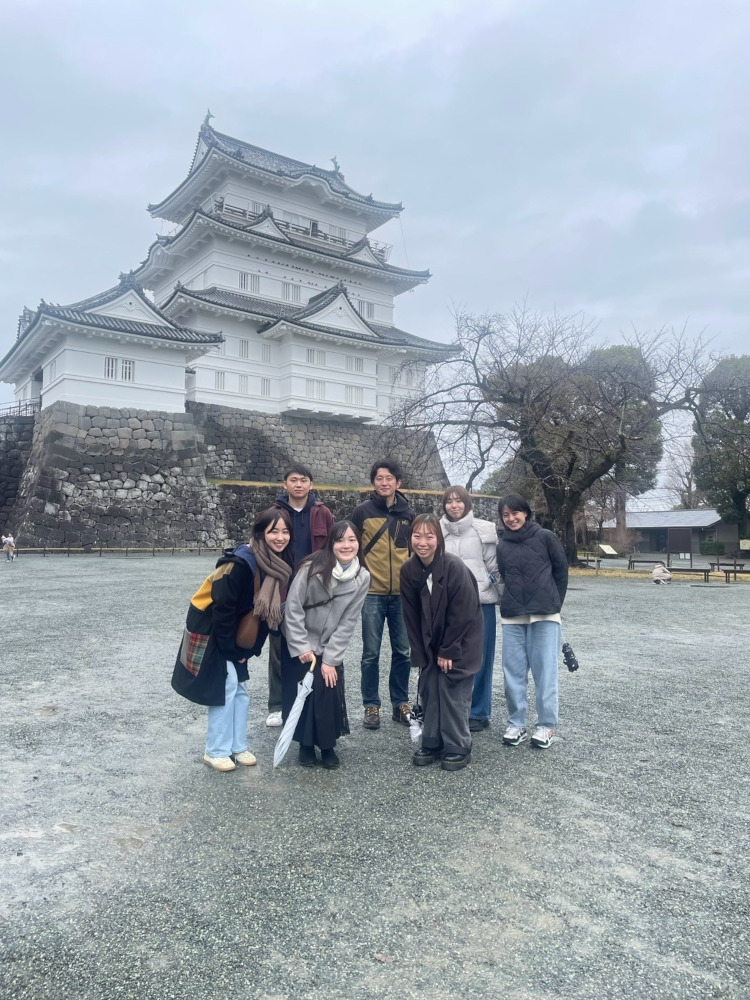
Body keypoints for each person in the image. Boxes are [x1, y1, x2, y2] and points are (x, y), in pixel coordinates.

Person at [171, 508, 293, 772]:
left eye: (285, 532)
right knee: (226, 686)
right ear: (260, 533)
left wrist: (247, 651)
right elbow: (222, 609)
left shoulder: (275, 566)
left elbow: (262, 614)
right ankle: (215, 751)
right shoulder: (239, 564)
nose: (280, 537)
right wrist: (230, 650)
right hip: (212, 627)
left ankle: (238, 746)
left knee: (240, 689)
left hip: (235, 633)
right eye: (273, 531)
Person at [281, 521, 370, 769]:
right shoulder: (311, 568)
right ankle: (305, 744)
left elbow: (348, 621)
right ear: (331, 543)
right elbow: (294, 607)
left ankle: (327, 744)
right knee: (303, 691)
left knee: (327, 687)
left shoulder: (362, 576)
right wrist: (302, 647)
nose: (346, 545)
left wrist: (330, 659)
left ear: (359, 543)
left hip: (329, 643)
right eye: (340, 540)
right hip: (300, 639)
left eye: (352, 540)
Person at [400, 514, 484, 771]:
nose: (422, 542)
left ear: (439, 539)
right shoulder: (409, 570)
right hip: (430, 642)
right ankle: (432, 741)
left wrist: (448, 649)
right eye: (417, 536)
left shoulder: (454, 567)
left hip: (460, 640)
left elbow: (464, 612)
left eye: (429, 536)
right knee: (429, 689)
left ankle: (458, 745)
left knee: (452, 690)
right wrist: (420, 652)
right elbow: (411, 615)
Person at [495, 493, 568, 750]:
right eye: (505, 515)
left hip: (545, 615)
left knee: (545, 672)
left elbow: (561, 572)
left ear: (525, 513)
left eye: (515, 513)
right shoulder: (502, 546)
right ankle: (516, 723)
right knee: (512, 674)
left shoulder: (546, 537)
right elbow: (505, 575)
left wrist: (554, 603)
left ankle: (546, 725)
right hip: (513, 616)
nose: (511, 518)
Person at [265, 465, 334, 728]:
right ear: (285, 484)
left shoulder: (323, 513)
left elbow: (332, 548)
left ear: (311, 484)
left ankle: (307, 701)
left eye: (303, 480)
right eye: (293, 480)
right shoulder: (275, 513)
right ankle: (277, 705)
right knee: (279, 647)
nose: (298, 484)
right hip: (281, 587)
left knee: (314, 645)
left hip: (314, 590)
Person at [349, 459, 415, 730]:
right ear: (373, 482)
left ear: (398, 482)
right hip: (372, 592)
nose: (384, 482)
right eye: (379, 478)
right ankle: (371, 705)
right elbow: (350, 546)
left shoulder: (409, 514)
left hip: (402, 594)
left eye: (389, 478)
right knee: (370, 653)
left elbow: (414, 550)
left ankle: (401, 703)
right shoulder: (361, 512)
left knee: (403, 651)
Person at [439, 486, 502, 732]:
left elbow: (494, 567)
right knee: (448, 658)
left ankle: (478, 711)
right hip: (448, 603)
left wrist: (502, 596)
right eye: (449, 501)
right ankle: (452, 708)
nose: (454, 506)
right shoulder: (437, 530)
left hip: (481, 601)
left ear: (467, 503)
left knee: (482, 658)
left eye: (459, 501)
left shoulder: (483, 530)